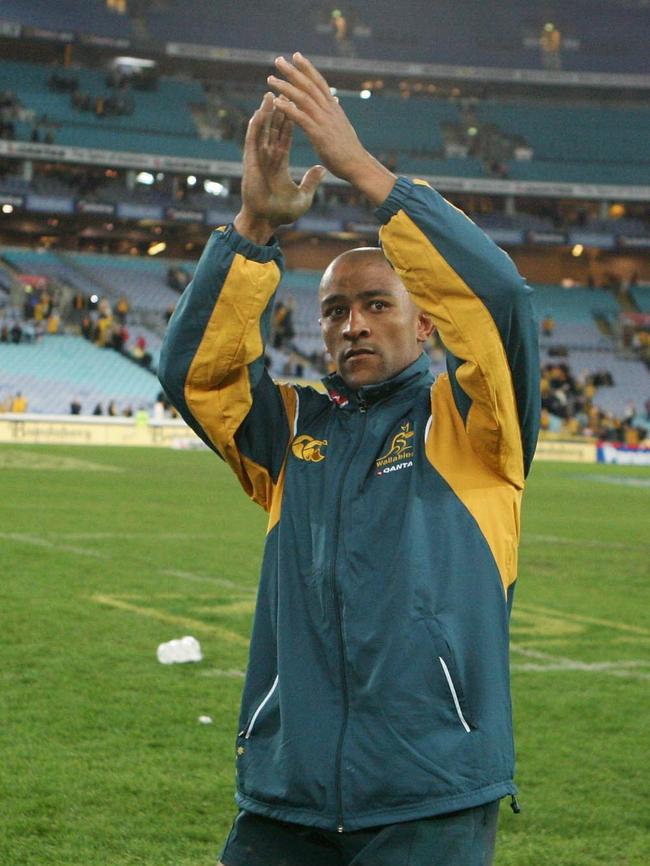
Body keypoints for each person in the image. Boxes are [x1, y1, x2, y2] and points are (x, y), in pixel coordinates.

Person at [158, 53, 540, 866]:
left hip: (428, 796)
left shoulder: (474, 426)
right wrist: (255, 228)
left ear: (428, 323)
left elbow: (501, 302)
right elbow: (196, 373)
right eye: (335, 311)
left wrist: (364, 173)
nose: (353, 326)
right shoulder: (292, 428)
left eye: (376, 305)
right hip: (285, 795)